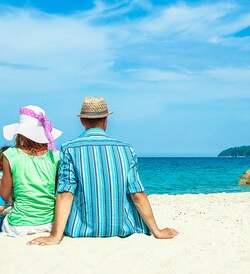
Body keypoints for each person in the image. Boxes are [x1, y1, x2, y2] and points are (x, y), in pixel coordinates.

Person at [29, 97, 178, 246]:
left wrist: (55, 236)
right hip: (121, 228)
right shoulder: (126, 149)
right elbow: (137, 193)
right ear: (106, 120)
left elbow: (65, 194)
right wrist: (157, 231)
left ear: (82, 121)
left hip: (81, 230)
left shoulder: (69, 149)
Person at [0, 105, 62, 238]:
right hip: (50, 222)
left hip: (20, 225)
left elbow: (4, 195)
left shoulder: (10, 155)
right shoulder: (55, 156)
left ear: (21, 132)